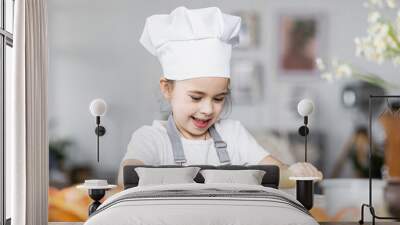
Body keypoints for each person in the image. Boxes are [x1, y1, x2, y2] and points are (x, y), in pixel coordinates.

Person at [118, 7, 322, 187]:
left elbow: (277, 172)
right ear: (167, 89)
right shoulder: (151, 138)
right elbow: (126, 177)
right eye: (196, 98)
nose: (208, 109)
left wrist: (295, 172)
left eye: (218, 98)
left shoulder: (233, 135)